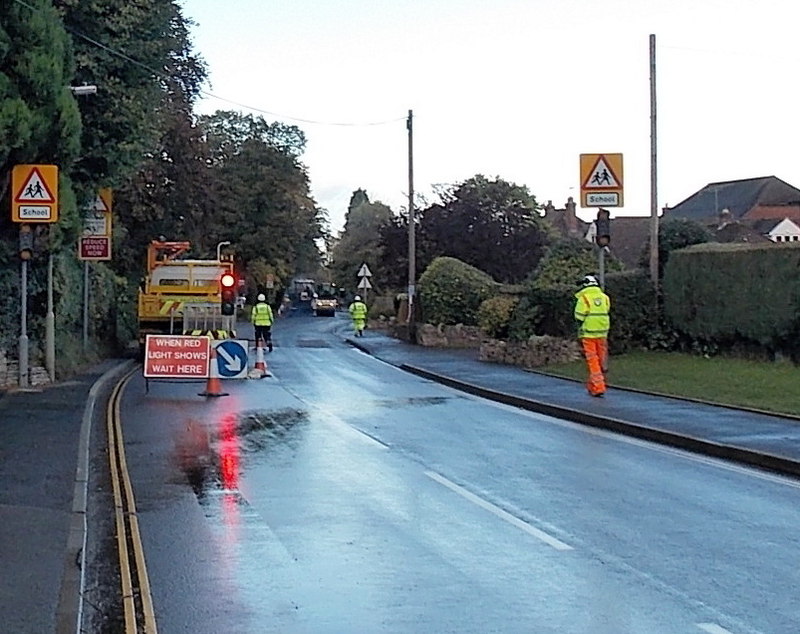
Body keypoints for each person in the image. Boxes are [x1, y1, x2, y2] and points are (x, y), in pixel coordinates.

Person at [574, 275, 611, 397]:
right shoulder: (604, 297)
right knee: (601, 358)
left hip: (589, 333)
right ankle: (592, 386)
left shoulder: (584, 298)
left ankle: (599, 387)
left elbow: (579, 316)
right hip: (603, 332)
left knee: (592, 360)